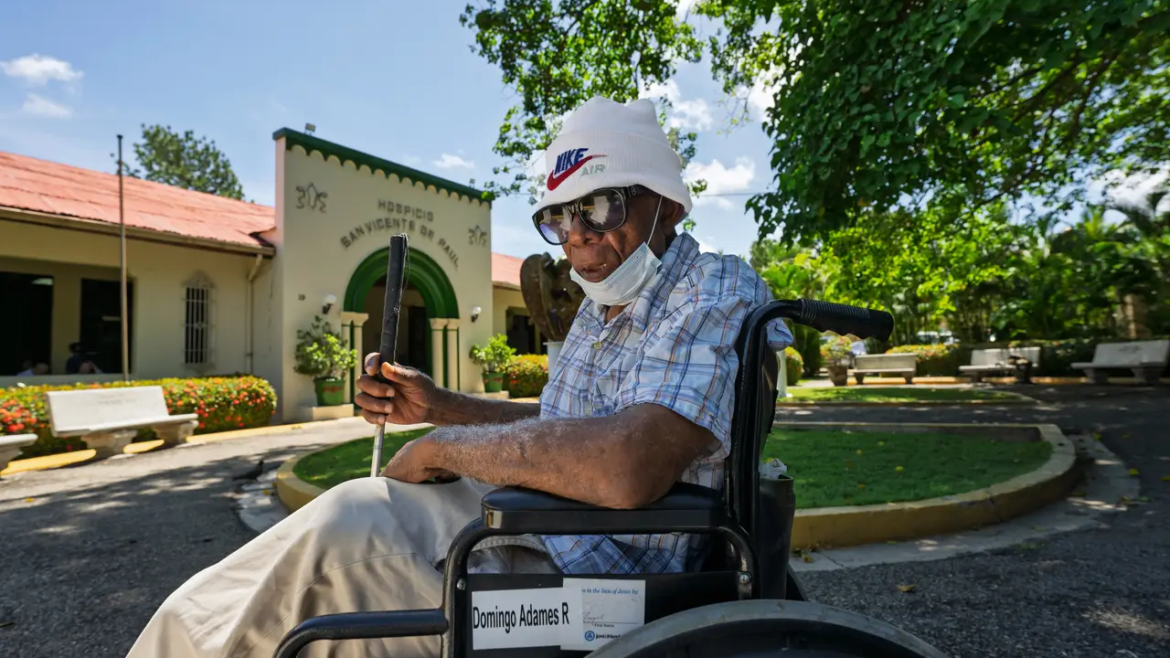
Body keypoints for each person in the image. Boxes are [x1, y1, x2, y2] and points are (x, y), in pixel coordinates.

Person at [125, 96, 792, 658]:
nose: (577, 236)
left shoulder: (711, 285)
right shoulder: (601, 305)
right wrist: (441, 407)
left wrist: (447, 449)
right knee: (260, 572)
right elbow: (564, 433)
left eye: (602, 207)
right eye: (559, 216)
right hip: (535, 523)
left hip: (589, 569)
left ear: (668, 206)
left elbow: (626, 463)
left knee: (327, 552)